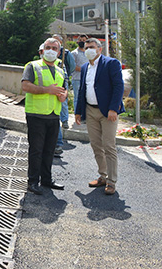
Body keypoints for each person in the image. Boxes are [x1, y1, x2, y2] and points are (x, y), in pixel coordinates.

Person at [74, 38, 124, 195]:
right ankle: (103, 175)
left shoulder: (111, 63)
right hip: (90, 110)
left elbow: (118, 86)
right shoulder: (84, 67)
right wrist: (78, 111)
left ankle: (112, 181)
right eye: (87, 47)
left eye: (92, 47)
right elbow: (82, 90)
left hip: (107, 112)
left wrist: (113, 108)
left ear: (100, 49)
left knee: (109, 146)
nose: (89, 50)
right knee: (96, 145)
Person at [22, 37, 68, 195]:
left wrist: (64, 96)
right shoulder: (33, 66)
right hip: (36, 115)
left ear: (59, 52)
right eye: (48, 47)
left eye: (54, 48)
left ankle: (47, 180)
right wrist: (47, 90)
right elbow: (25, 85)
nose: (51, 50)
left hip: (54, 115)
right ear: (42, 50)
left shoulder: (61, 70)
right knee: (36, 150)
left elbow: (64, 89)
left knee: (49, 150)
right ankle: (33, 181)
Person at [52, 34, 75, 157]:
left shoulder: (66, 54)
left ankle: (65, 120)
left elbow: (71, 66)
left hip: (62, 84)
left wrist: (66, 79)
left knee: (63, 104)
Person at [71, 34, 89, 105]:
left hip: (88, 78)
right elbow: (73, 66)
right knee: (77, 98)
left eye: (84, 40)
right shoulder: (74, 53)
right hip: (77, 78)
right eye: (80, 40)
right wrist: (83, 69)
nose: (82, 42)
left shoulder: (89, 53)